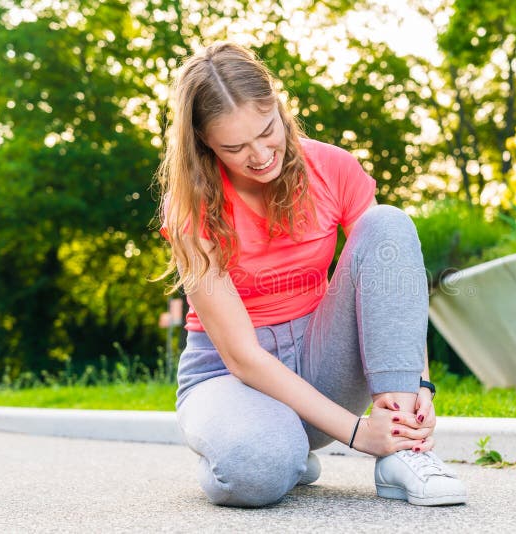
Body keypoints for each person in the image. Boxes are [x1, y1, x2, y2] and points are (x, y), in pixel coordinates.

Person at [155, 42, 467, 508]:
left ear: (278, 109)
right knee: (256, 471)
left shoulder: (333, 167)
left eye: (267, 131)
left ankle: (406, 454)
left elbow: (390, 274)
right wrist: (359, 433)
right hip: (229, 375)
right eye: (235, 148)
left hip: (322, 356)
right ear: (204, 144)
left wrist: (418, 383)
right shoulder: (190, 209)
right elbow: (242, 357)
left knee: (388, 224)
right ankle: (281, 454)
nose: (260, 155)